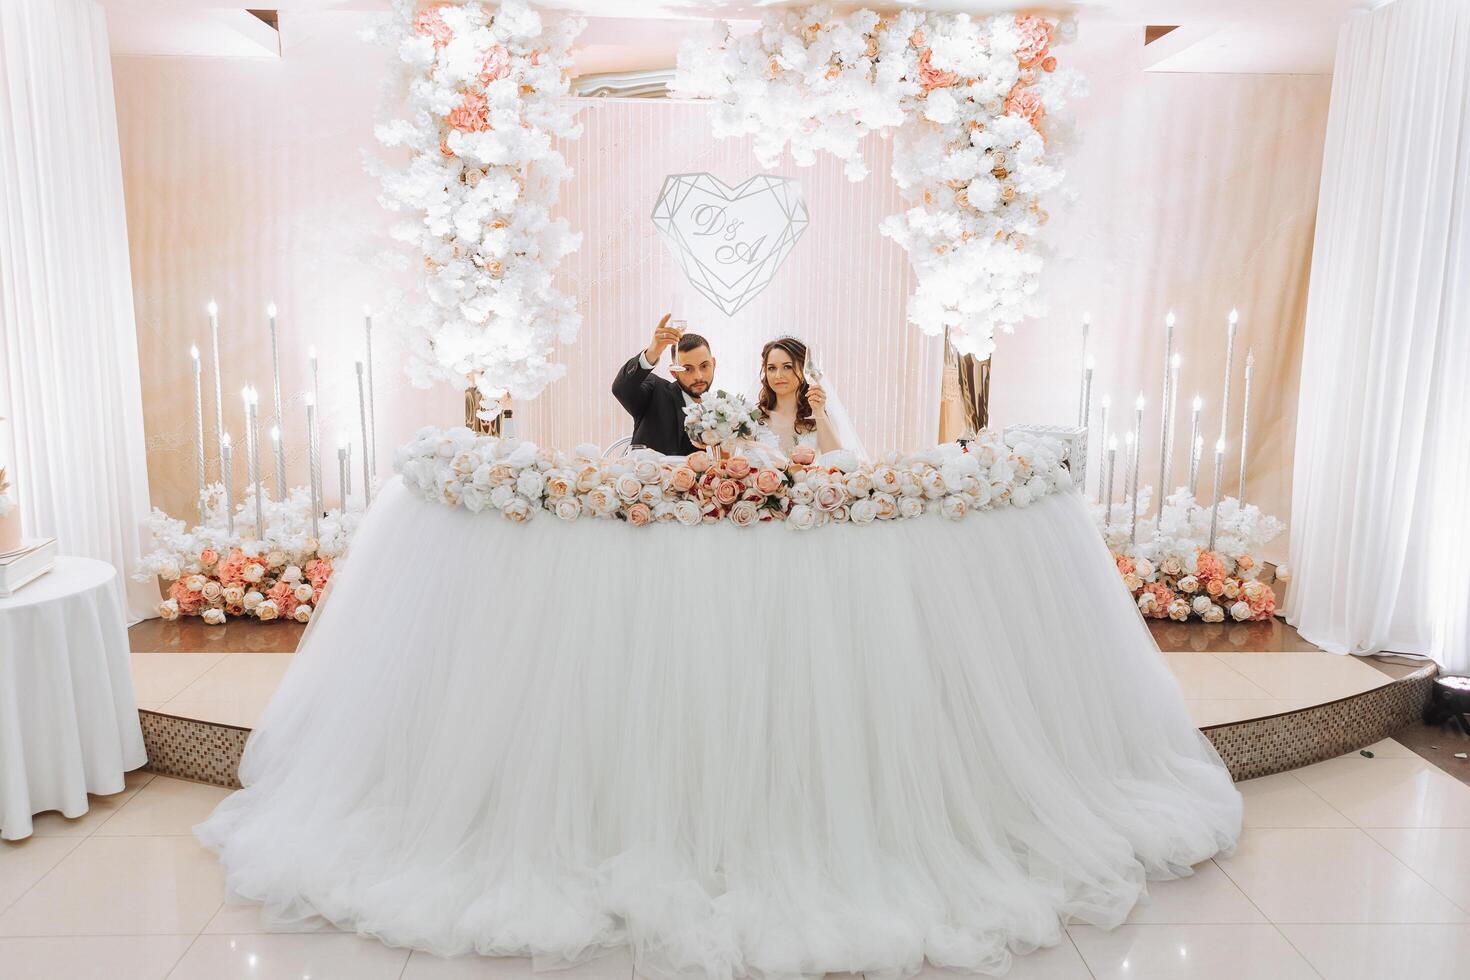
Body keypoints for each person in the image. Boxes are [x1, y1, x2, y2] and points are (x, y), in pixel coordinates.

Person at [611, 313, 713, 456]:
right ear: (674, 372)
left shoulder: (724, 410)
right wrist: (652, 352)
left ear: (713, 364)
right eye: (687, 369)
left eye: (704, 366)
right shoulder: (654, 391)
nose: (698, 376)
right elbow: (621, 388)